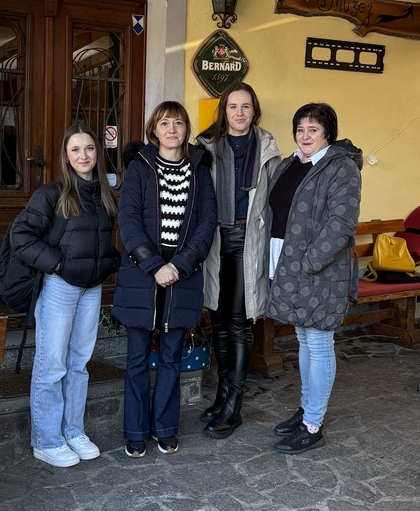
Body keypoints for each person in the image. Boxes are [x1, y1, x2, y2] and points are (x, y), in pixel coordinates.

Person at [112, 101, 217, 458]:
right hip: (142, 275)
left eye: (179, 123)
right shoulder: (139, 168)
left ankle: (166, 429)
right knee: (137, 358)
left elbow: (207, 222)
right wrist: (155, 265)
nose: (172, 129)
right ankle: (136, 431)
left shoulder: (199, 170)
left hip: (182, 276)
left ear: (186, 130)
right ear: (153, 130)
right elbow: (128, 221)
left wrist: (181, 264)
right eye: (164, 123)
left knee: (172, 357)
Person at [11, 124, 119, 468]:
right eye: (76, 149)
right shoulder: (51, 194)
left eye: (89, 148)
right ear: (66, 156)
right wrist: (57, 264)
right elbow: (21, 236)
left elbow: (103, 240)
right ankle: (46, 440)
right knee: (52, 365)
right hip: (60, 288)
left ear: (97, 153)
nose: (83, 155)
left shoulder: (104, 194)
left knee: (79, 364)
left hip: (91, 289)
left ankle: (73, 431)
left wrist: (110, 263)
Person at [266, 103, 362, 454]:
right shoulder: (292, 163)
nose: (305, 136)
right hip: (289, 266)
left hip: (319, 270)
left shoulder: (341, 167)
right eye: (300, 129)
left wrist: (309, 263)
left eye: (313, 129)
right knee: (304, 341)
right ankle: (308, 409)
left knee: (319, 344)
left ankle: (313, 425)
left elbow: (341, 222)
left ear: (328, 134)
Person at [196, 82, 282, 438]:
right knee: (217, 319)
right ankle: (221, 395)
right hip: (216, 239)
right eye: (233, 106)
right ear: (224, 111)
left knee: (239, 322)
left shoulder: (268, 148)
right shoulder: (207, 146)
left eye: (246, 106)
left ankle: (234, 404)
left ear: (254, 109)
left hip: (249, 240)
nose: (240, 113)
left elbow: (275, 201)